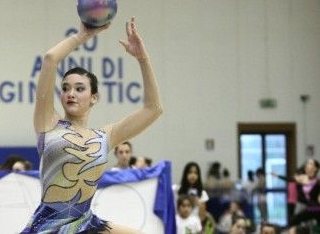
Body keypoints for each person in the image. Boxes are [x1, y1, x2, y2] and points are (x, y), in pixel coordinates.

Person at [21, 17, 163, 234]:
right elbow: (50, 59)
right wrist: (83, 36)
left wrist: (142, 58)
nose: (71, 93)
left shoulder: (106, 136)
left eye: (79, 89)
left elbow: (153, 109)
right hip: (48, 226)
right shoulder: (47, 122)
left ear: (94, 97)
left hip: (85, 224)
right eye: (66, 88)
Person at [173, 162, 215, 233]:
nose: (193, 176)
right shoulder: (176, 190)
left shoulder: (202, 193)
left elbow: (202, 217)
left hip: (194, 226)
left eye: (196, 173)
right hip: (178, 224)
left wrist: (198, 204)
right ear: (185, 174)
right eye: (190, 172)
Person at [288, 158, 320, 234]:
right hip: (300, 204)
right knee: (295, 221)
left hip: (312, 206)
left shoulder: (316, 182)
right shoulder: (301, 179)